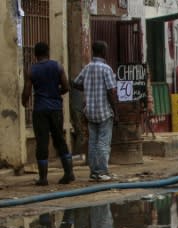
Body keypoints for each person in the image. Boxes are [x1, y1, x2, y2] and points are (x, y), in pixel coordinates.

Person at [22, 42, 75, 186]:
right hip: (56, 109)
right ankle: (69, 173)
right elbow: (66, 86)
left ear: (35, 55)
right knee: (59, 140)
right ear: (48, 52)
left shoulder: (31, 70)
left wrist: (24, 101)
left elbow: (27, 91)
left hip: (40, 110)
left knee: (42, 142)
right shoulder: (57, 66)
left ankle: (43, 178)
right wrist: (56, 93)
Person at [72, 40, 118, 182]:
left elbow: (75, 83)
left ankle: (93, 172)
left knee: (92, 142)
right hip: (104, 111)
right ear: (103, 52)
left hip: (90, 112)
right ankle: (102, 171)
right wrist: (116, 111)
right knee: (103, 142)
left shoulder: (87, 68)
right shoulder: (106, 69)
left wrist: (87, 89)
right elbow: (111, 92)